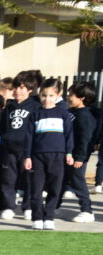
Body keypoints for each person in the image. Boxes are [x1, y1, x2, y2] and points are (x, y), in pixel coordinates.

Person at [24, 78, 73, 231]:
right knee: (36, 189)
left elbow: (69, 136)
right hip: (38, 157)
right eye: (44, 95)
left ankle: (49, 217)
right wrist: (27, 156)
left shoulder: (63, 114)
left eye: (51, 95)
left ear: (58, 95)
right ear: (39, 95)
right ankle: (37, 218)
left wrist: (69, 153)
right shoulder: (34, 115)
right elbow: (29, 137)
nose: (47, 99)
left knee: (55, 188)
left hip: (58, 156)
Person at [1, 72, 40, 220]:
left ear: (30, 89)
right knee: (8, 179)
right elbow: (3, 127)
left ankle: (28, 207)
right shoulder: (9, 107)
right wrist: (5, 138)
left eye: (22, 87)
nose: (18, 90)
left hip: (27, 150)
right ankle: (8, 206)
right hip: (10, 149)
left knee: (29, 180)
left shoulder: (35, 105)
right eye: (16, 87)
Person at [60, 81, 96, 223]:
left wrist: (80, 157)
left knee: (77, 182)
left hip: (77, 157)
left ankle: (87, 211)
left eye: (71, 95)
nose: (68, 97)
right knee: (61, 181)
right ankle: (55, 206)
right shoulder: (71, 112)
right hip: (66, 154)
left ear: (82, 98)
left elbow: (85, 139)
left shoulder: (85, 115)